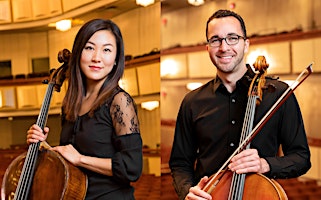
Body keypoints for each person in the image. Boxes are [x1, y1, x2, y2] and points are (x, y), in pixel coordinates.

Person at [169, 9, 311, 200]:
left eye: (232, 38)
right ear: (208, 48)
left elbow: (301, 158)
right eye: (215, 40)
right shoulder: (192, 102)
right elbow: (180, 163)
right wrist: (188, 191)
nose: (224, 47)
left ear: (246, 44)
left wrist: (264, 164)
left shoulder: (278, 94)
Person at [27, 19, 143, 200]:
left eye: (106, 50)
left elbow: (132, 167)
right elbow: (69, 162)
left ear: (115, 60)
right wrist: (44, 147)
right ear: (78, 52)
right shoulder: (70, 103)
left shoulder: (119, 102)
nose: (97, 57)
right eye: (89, 48)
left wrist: (80, 159)